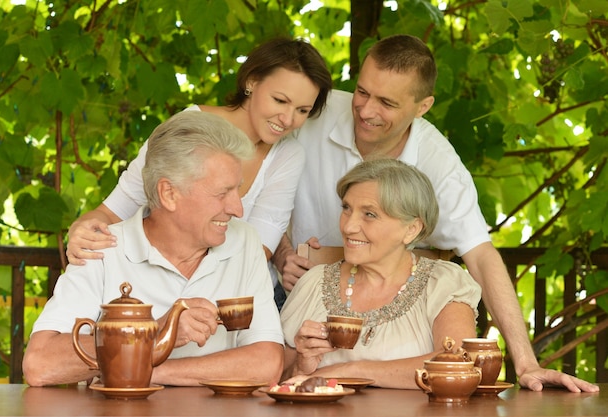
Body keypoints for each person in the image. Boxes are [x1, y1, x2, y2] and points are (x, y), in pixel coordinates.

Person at [272, 34, 599, 392]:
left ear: (423, 106)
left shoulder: (440, 165)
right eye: (362, 92)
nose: (365, 110)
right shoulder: (314, 109)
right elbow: (256, 178)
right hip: (297, 291)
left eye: (386, 102)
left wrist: (525, 361)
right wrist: (282, 250)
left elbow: (481, 256)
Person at [65, 37, 333, 309]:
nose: (288, 120)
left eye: (302, 110)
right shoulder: (187, 126)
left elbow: (257, 250)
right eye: (280, 100)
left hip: (241, 300)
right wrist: (83, 230)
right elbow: (112, 211)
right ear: (251, 81)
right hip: (159, 291)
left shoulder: (288, 155)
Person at [23, 111, 284, 387]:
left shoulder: (244, 241)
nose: (237, 209)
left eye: (238, 190)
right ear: (168, 193)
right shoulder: (103, 247)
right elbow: (40, 364)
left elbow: (267, 363)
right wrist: (158, 332)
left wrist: (144, 371)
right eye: (222, 194)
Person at [280, 159, 482, 388]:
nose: (348, 227)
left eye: (369, 214)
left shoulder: (443, 284)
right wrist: (301, 365)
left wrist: (349, 371)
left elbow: (457, 366)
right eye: (346, 208)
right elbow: (279, 383)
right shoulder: (314, 283)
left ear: (411, 229)